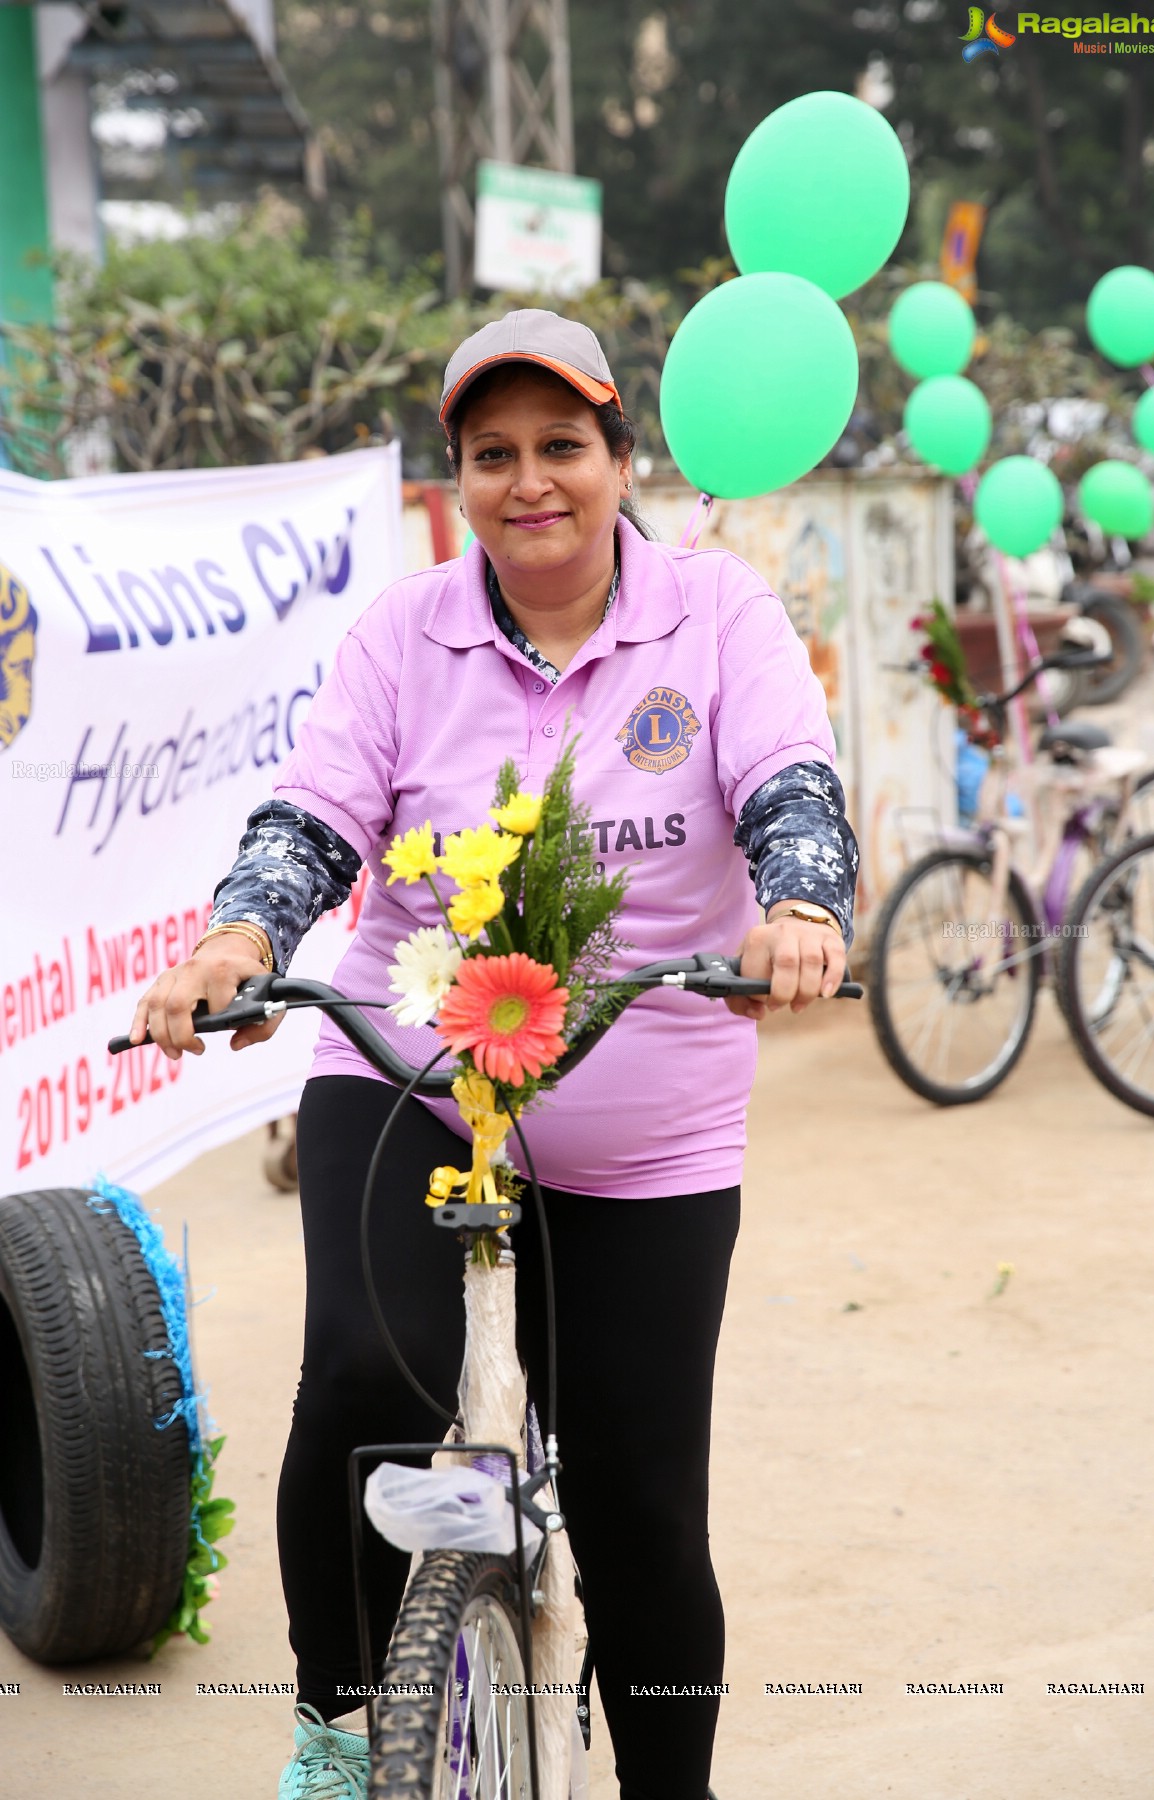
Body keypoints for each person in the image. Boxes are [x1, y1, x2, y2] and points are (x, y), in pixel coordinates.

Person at [129, 308, 859, 1800]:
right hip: (410, 1080)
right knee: (357, 1401)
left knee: (642, 1511)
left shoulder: (721, 615)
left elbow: (792, 781)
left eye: (562, 447)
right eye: (493, 454)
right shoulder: (405, 633)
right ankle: (339, 1741)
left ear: (620, 459)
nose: (532, 483)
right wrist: (243, 942)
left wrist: (799, 904)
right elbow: (315, 815)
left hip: (642, 1125)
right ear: (458, 478)